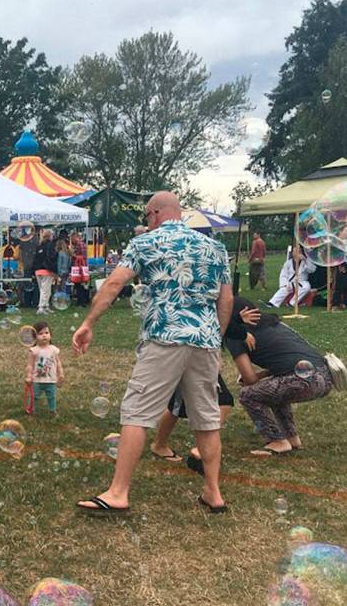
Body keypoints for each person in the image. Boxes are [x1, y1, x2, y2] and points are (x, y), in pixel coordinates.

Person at [73, 191, 233, 516]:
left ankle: (118, 492)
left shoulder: (146, 243)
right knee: (206, 417)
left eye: (148, 216)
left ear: (156, 213)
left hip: (164, 336)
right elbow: (226, 300)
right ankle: (213, 492)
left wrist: (88, 322)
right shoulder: (214, 247)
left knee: (136, 411)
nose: (147, 222)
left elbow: (114, 284)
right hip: (204, 339)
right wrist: (214, 335)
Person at [224, 297, 331, 455]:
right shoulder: (274, 323)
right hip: (325, 376)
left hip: (304, 380)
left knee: (248, 395)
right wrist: (263, 375)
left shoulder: (236, 334)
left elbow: (249, 380)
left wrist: (253, 378)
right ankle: (291, 437)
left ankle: (276, 440)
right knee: (273, 391)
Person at [149, 375, 234, 474]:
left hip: (199, 364)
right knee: (178, 405)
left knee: (223, 401)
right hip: (187, 364)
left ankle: (160, 445)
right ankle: (160, 445)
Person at [25, 320, 64, 415]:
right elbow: (30, 365)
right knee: (35, 396)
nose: (44, 335)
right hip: (37, 380)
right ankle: (32, 409)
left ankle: (52, 410)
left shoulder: (54, 349)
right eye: (40, 333)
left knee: (52, 396)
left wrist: (61, 374)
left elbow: (58, 363)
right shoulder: (34, 350)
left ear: (50, 335)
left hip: (51, 380)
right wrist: (29, 376)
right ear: (34, 337)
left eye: (47, 332)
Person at [33, 229, 58, 314]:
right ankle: (41, 307)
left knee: (43, 290)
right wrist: (54, 270)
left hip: (38, 270)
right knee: (45, 290)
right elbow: (52, 257)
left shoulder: (39, 246)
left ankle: (46, 306)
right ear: (50, 236)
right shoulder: (50, 245)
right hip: (46, 270)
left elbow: (35, 259)